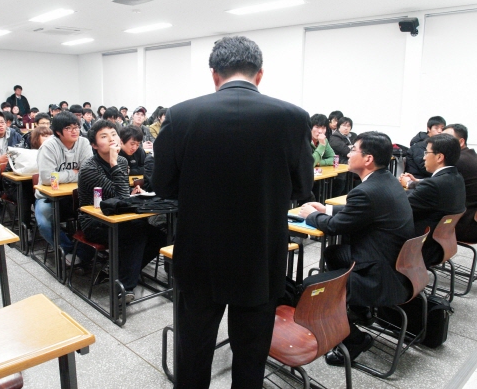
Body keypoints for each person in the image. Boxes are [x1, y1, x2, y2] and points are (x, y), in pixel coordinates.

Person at [153, 36, 314, 388]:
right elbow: (303, 188)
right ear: (260, 74)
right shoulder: (293, 117)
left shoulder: (181, 115)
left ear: (214, 74)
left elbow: (162, 187)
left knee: (193, 349)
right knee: (252, 354)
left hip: (201, 253)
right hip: (261, 254)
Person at [298, 131, 414, 366]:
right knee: (333, 253)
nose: (348, 154)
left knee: (310, 288)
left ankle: (355, 340)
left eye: (353, 150)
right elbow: (362, 211)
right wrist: (327, 209)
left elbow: (333, 228)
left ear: (368, 158)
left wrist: (311, 215)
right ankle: (359, 310)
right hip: (395, 263)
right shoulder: (386, 180)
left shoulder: (366, 191)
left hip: (379, 274)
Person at [77, 120, 165, 302]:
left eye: (113, 134)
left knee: (161, 236)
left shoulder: (123, 160)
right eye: (104, 136)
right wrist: (114, 163)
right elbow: (121, 197)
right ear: (94, 145)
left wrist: (130, 189)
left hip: (120, 217)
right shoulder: (89, 168)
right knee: (137, 232)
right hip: (94, 222)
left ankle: (117, 271)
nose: (111, 139)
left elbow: (122, 195)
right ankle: (125, 288)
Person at [35, 111, 92, 266]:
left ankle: (83, 252)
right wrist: (74, 173)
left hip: (77, 195)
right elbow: (47, 178)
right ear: (58, 132)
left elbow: (87, 172)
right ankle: (68, 250)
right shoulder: (49, 147)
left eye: (76, 127)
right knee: (44, 223)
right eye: (68, 128)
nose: (74, 131)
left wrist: (61, 175)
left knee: (96, 216)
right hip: (48, 197)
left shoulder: (83, 143)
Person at [404, 134, 466, 267]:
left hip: (422, 248)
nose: (424, 157)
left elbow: (401, 208)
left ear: (439, 157)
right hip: (442, 243)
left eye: (426, 153)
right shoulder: (456, 177)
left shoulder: (433, 185)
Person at [443, 124, 477, 242]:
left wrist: (411, 183)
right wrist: (418, 181)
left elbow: (438, 187)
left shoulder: (458, 160)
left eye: (447, 138)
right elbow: (440, 182)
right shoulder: (472, 156)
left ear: (461, 142)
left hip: (466, 225)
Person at [330, 116, 357, 196]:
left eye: (348, 126)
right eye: (344, 125)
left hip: (351, 165)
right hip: (340, 165)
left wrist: (351, 147)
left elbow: (360, 149)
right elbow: (347, 151)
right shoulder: (334, 138)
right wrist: (352, 148)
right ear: (339, 127)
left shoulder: (353, 136)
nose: (346, 128)